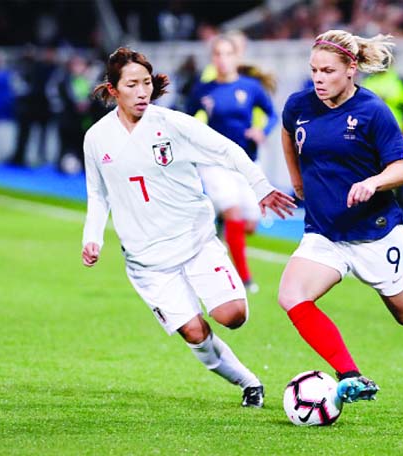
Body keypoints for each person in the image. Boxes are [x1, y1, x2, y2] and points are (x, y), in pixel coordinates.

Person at [81, 47, 295, 408]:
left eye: (146, 82)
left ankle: (231, 308)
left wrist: (261, 188)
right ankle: (249, 382)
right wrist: (93, 238)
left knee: (233, 315)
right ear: (113, 90)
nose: (142, 91)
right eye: (132, 84)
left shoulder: (172, 124)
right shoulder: (97, 138)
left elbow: (228, 150)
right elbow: (97, 195)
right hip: (147, 260)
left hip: (195, 241)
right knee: (195, 332)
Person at [278, 30, 403, 405]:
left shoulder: (373, 112)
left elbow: (402, 170)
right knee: (291, 295)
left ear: (351, 69)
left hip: (375, 235)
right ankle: (350, 375)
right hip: (325, 234)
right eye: (314, 70)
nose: (319, 79)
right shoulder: (299, 106)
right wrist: (296, 180)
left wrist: (373, 182)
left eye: (327, 70)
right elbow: (287, 132)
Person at [186, 33, 278, 292]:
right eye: (218, 54)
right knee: (234, 212)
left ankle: (220, 222)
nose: (223, 59)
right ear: (213, 58)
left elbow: (272, 114)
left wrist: (263, 131)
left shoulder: (250, 87)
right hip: (214, 163)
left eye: (228, 54)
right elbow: (187, 119)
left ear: (236, 57)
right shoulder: (204, 90)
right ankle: (244, 279)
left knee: (249, 224)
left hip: (246, 161)